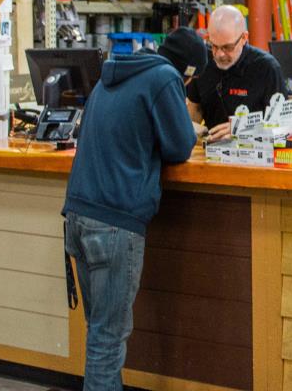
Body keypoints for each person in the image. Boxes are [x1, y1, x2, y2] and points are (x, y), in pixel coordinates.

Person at [62, 27, 209, 391]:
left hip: (78, 215)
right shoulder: (164, 79)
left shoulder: (111, 75)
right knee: (107, 341)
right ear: (188, 72)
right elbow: (179, 146)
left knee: (99, 336)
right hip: (115, 222)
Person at [186, 5, 288, 141]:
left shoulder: (266, 68)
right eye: (214, 46)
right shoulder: (204, 61)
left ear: (244, 38)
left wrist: (243, 129)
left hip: (254, 154)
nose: (219, 54)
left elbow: (283, 124)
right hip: (211, 151)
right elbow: (195, 108)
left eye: (227, 47)